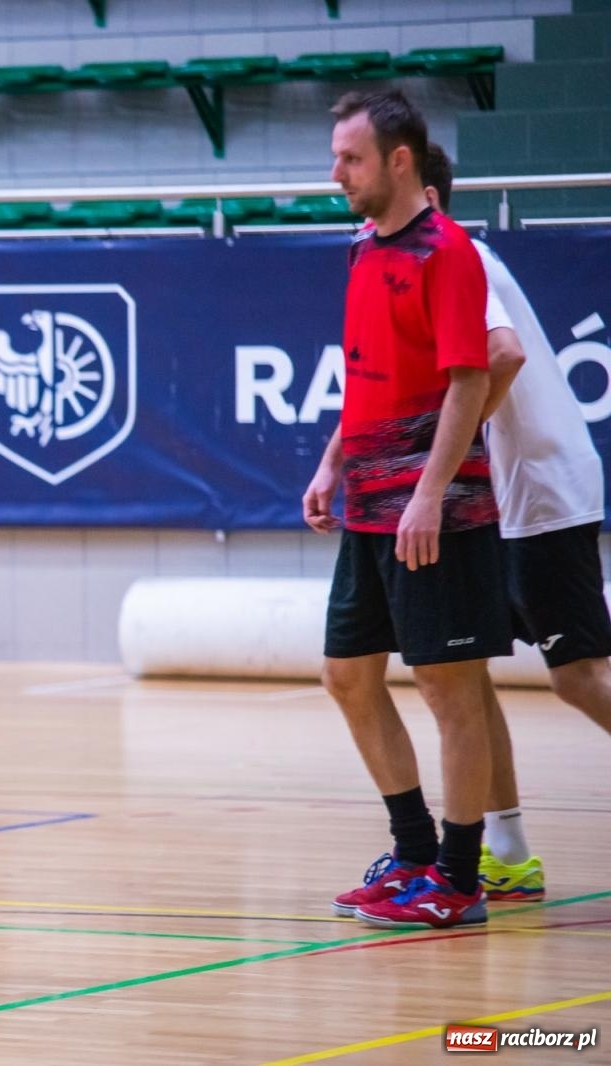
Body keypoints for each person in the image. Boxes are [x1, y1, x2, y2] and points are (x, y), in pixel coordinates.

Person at [303, 90, 510, 929]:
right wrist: (331, 464)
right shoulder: (363, 249)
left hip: (438, 513)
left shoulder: (447, 252)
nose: (336, 173)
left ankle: (459, 879)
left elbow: (472, 379)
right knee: (347, 675)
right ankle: (414, 852)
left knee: (448, 689)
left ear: (399, 160)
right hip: (367, 505)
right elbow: (366, 378)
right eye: (335, 157)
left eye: (350, 158)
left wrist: (429, 491)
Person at [422, 144, 611, 902]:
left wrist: (451, 449)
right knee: (460, 671)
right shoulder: (430, 263)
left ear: (423, 193)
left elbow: (504, 358)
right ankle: (505, 848)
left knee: (579, 677)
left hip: (542, 491)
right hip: (494, 503)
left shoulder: (461, 256)